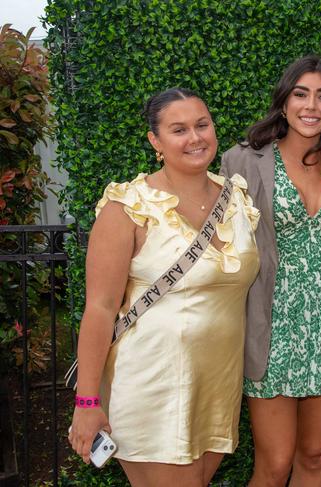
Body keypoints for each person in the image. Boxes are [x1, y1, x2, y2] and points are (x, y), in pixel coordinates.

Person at [68, 88, 260, 487]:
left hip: (216, 386)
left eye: (202, 125)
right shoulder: (129, 207)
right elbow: (100, 309)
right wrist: (87, 402)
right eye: (179, 129)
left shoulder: (236, 198)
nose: (195, 137)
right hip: (151, 385)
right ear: (155, 140)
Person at [220, 55, 321, 487]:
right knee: (273, 465)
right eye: (301, 93)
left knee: (313, 456)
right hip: (271, 328)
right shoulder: (244, 161)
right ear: (284, 101)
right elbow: (219, 243)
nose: (311, 106)